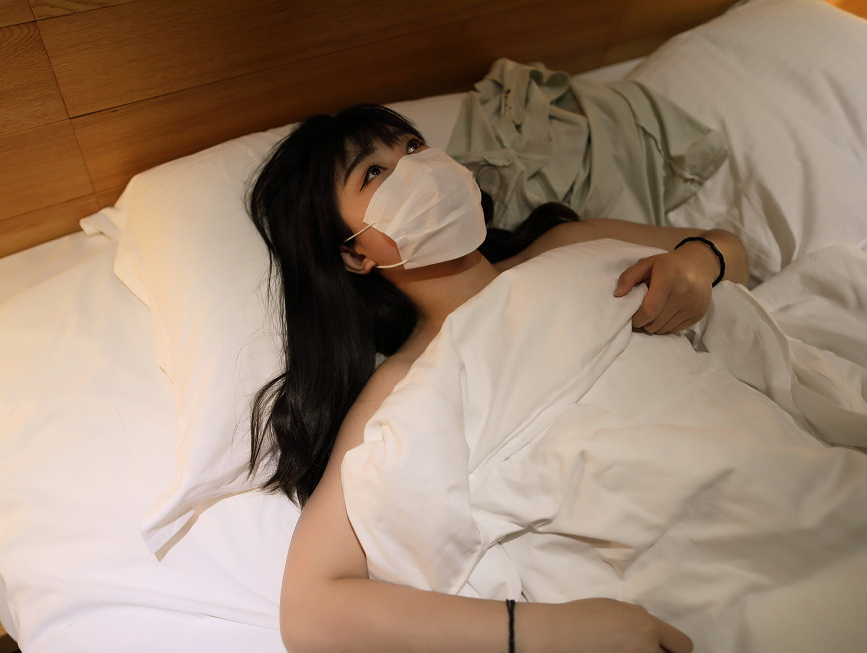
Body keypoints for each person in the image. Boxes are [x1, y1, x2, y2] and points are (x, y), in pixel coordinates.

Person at [247, 104, 748, 653]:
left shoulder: (570, 246)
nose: (416, 168)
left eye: (413, 146)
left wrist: (701, 261)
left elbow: (734, 256)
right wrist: (549, 630)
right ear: (353, 253)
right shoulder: (403, 386)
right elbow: (310, 611)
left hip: (748, 453)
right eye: (374, 172)